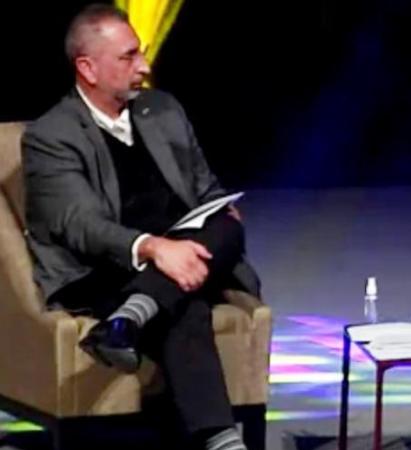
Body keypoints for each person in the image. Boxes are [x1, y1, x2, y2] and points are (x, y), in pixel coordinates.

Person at [22, 4, 260, 449]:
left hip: (181, 251)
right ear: (87, 68)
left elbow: (206, 188)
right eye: (128, 57)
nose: (144, 67)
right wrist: (153, 247)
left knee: (227, 227)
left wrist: (213, 215)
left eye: (142, 53)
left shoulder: (163, 109)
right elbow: (80, 225)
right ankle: (222, 440)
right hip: (103, 269)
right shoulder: (52, 135)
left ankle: (129, 319)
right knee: (185, 303)